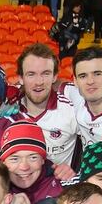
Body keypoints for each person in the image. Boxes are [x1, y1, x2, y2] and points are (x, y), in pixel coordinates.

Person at [16, 43, 79, 173]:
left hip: (57, 188)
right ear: (21, 78)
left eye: (45, 73)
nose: (39, 82)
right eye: (31, 74)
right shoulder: (6, 107)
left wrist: (77, 174)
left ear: (55, 76)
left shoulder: (72, 111)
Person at [63, 46, 102, 146]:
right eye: (83, 76)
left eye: (97, 74)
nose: (90, 81)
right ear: (75, 81)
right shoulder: (74, 94)